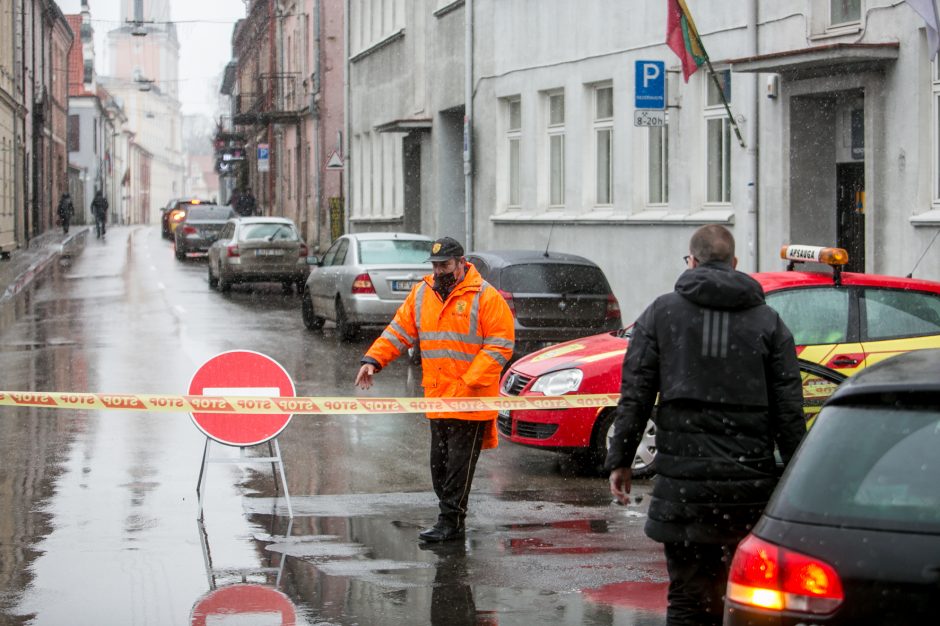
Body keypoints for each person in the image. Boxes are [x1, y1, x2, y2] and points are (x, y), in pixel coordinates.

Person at [606, 225, 805, 626]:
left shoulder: (661, 313)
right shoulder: (768, 321)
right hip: (747, 490)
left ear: (692, 261)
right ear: (735, 263)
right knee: (746, 597)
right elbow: (789, 409)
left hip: (683, 490)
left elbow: (636, 395)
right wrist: (798, 477)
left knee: (687, 597)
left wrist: (621, 460)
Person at [355, 236, 515, 543]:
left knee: (458, 467)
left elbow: (501, 344)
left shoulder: (485, 296)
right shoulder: (422, 293)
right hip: (439, 399)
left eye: (445, 265)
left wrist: (469, 381)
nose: (439, 271)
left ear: (461, 263)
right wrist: (373, 360)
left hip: (470, 402)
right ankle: (450, 516)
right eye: (435, 265)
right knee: (439, 467)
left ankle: (451, 522)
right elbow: (399, 331)